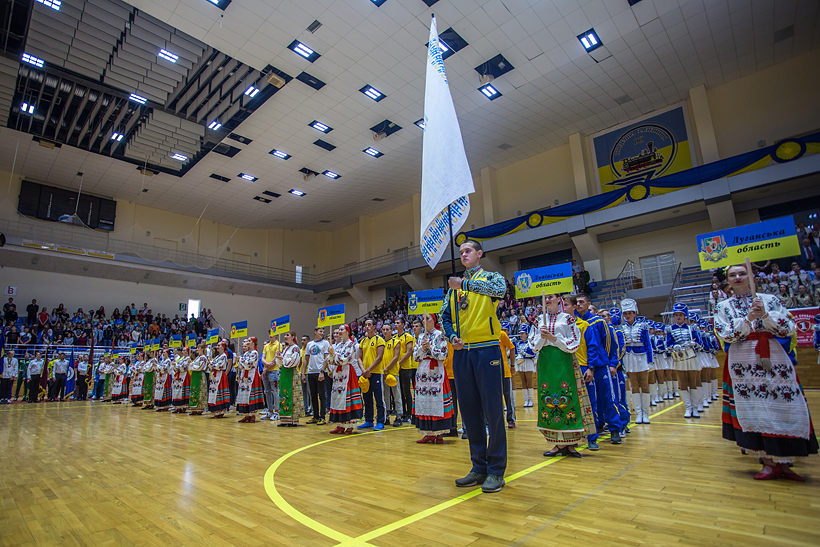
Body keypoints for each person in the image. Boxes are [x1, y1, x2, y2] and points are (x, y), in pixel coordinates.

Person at [715, 263, 818, 481]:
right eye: (733, 275)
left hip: (773, 357)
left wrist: (766, 316)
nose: (738, 277)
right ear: (728, 281)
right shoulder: (723, 306)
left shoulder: (770, 300)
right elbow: (724, 333)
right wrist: (748, 320)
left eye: (742, 273)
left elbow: (789, 328)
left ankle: (786, 462)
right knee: (755, 408)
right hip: (743, 361)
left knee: (785, 405)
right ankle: (768, 463)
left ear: (751, 276)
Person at [441, 239, 507, 493]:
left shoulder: (491, 277)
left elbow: (500, 291)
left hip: (486, 348)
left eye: (468, 251)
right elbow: (445, 317)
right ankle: (478, 467)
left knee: (493, 410)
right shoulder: (453, 289)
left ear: (479, 254)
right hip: (462, 353)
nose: (463, 255)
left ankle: (496, 470)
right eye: (461, 252)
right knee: (469, 411)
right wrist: (451, 336)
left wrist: (464, 284)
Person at [531, 293, 593, 458]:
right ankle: (558, 443)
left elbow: (574, 342)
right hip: (546, 363)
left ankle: (570, 443)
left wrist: (553, 338)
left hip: (564, 361)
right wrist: (542, 338)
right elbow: (533, 345)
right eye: (545, 298)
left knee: (569, 397)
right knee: (549, 399)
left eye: (551, 297)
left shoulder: (568, 319)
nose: (547, 300)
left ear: (559, 299)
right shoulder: (538, 320)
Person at [575, 293, 623, 444]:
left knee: (607, 397)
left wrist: (612, 363)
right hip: (584, 366)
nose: (579, 304)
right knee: (589, 400)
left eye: (582, 302)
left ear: (588, 303)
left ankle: (615, 428)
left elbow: (610, 344)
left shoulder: (599, 321)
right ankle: (594, 428)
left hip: (601, 365)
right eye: (577, 302)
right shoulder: (574, 322)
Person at [411, 312, 454, 444]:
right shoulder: (420, 337)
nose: (424, 321)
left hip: (436, 370)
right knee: (424, 400)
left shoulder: (440, 335)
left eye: (427, 318)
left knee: (436, 400)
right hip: (423, 370)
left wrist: (430, 348)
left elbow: (443, 355)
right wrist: (422, 349)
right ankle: (428, 432)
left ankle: (439, 433)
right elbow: (415, 356)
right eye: (423, 319)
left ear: (433, 320)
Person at [618, 300, 653, 424]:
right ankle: (639, 413)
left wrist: (650, 360)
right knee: (634, 385)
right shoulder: (622, 328)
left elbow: (648, 344)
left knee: (644, 384)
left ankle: (645, 413)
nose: (627, 316)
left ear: (635, 313)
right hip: (629, 357)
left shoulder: (643, 326)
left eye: (630, 313)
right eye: (625, 313)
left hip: (641, 356)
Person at [666, 303, 703, 418]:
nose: (678, 317)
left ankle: (695, 408)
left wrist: (693, 344)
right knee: (683, 383)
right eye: (676, 315)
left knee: (693, 382)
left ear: (685, 316)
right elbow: (668, 344)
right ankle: (687, 407)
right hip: (679, 358)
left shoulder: (692, 328)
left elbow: (700, 343)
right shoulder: (670, 329)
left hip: (691, 357)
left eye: (680, 315)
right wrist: (674, 346)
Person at [327, 325, 364, 434]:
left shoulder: (351, 344)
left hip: (347, 372)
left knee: (348, 398)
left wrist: (334, 353)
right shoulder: (338, 345)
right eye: (339, 329)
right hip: (338, 374)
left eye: (342, 329)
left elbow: (344, 359)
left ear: (348, 332)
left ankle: (350, 425)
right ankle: (340, 424)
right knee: (338, 398)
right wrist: (331, 354)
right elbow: (331, 361)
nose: (339, 331)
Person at [357, 319, 386, 431]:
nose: (367, 326)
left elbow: (379, 357)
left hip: (376, 373)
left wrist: (368, 370)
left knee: (379, 398)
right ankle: (369, 420)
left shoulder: (379, 340)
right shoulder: (363, 341)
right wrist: (363, 370)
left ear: (374, 326)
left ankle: (380, 421)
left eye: (369, 325)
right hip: (365, 373)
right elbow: (359, 358)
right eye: (365, 325)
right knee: (367, 398)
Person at [304, 327, 331, 425]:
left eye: (323, 332)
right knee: (313, 395)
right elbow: (306, 359)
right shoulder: (310, 344)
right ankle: (315, 416)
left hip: (321, 372)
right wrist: (303, 373)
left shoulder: (325, 343)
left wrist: (322, 371)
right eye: (320, 331)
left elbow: (326, 358)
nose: (322, 333)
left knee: (322, 395)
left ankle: (322, 416)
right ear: (315, 332)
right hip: (311, 372)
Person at [277, 331, 304, 427]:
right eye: (285, 335)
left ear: (293, 337)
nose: (285, 336)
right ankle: (284, 419)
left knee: (291, 394)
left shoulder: (295, 348)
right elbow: (280, 364)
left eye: (287, 335)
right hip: (284, 373)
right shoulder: (286, 349)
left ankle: (292, 420)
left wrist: (282, 358)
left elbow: (294, 361)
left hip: (291, 373)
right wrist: (278, 358)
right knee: (283, 394)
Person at [235, 337, 264, 423]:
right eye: (247, 341)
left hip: (252, 374)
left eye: (249, 341)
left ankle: (253, 415)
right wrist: (239, 360)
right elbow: (241, 366)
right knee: (244, 393)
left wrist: (241, 359)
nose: (247, 342)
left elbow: (249, 364)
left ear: (254, 343)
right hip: (245, 374)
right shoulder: (246, 353)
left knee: (251, 394)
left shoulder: (255, 352)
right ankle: (246, 415)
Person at [393, 317, 415, 427]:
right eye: (395, 323)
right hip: (397, 368)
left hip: (405, 367)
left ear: (403, 325)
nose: (396, 324)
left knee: (407, 391)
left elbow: (409, 352)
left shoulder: (408, 337)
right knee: (399, 391)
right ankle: (402, 412)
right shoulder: (394, 337)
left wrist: (399, 363)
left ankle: (409, 414)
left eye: (398, 323)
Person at [381, 323, 402, 426]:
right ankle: (387, 416)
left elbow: (396, 358)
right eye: (384, 329)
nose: (385, 331)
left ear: (391, 330)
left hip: (393, 372)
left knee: (396, 395)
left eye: (387, 329)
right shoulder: (380, 343)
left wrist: (386, 369)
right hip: (383, 373)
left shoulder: (396, 342)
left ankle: (399, 416)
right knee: (385, 396)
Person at [514, 324, 537, 408]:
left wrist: (525, 353)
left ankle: (531, 400)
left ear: (527, 334)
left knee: (529, 381)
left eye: (523, 333)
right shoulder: (518, 343)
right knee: (523, 382)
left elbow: (533, 354)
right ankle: (526, 400)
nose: (521, 335)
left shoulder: (530, 343)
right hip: (521, 363)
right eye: (520, 333)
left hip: (528, 362)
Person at [499, 322, 516, 428]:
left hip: (504, 371)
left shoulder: (501, 334)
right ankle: (497, 421)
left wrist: (512, 365)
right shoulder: (486, 336)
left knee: (508, 397)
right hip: (491, 373)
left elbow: (512, 347)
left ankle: (511, 419)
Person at [261, 331, 281, 421]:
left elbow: (275, 358)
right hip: (266, 371)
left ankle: (277, 412)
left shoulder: (278, 345)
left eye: (272, 334)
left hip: (274, 371)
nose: (270, 335)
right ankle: (270, 411)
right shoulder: (266, 346)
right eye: (269, 334)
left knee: (275, 391)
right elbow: (263, 358)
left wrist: (267, 366)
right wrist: (266, 364)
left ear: (276, 335)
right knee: (267, 391)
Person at [208, 342, 231, 418]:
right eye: (217, 345)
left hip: (220, 375)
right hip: (215, 375)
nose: (217, 347)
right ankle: (216, 410)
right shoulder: (217, 357)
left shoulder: (224, 356)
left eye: (219, 345)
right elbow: (211, 368)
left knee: (219, 391)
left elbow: (219, 366)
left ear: (223, 347)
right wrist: (209, 364)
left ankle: (220, 410)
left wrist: (211, 363)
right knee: (214, 391)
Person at [188, 343, 209, 415]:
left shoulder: (203, 357)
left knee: (199, 390)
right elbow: (192, 366)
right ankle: (193, 408)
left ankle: (199, 408)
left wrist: (192, 367)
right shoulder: (197, 358)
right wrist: (191, 364)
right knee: (194, 390)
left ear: (202, 349)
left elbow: (200, 367)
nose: (197, 349)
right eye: (197, 348)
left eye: (198, 348)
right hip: (194, 375)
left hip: (199, 375)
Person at [171, 347, 191, 413]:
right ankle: (178, 407)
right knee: (177, 390)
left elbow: (184, 367)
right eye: (182, 350)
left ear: (187, 351)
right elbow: (176, 368)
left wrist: (176, 365)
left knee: (183, 391)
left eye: (184, 350)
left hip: (184, 375)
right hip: (178, 375)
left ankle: (184, 407)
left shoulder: (188, 359)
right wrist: (174, 366)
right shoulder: (181, 359)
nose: (182, 352)